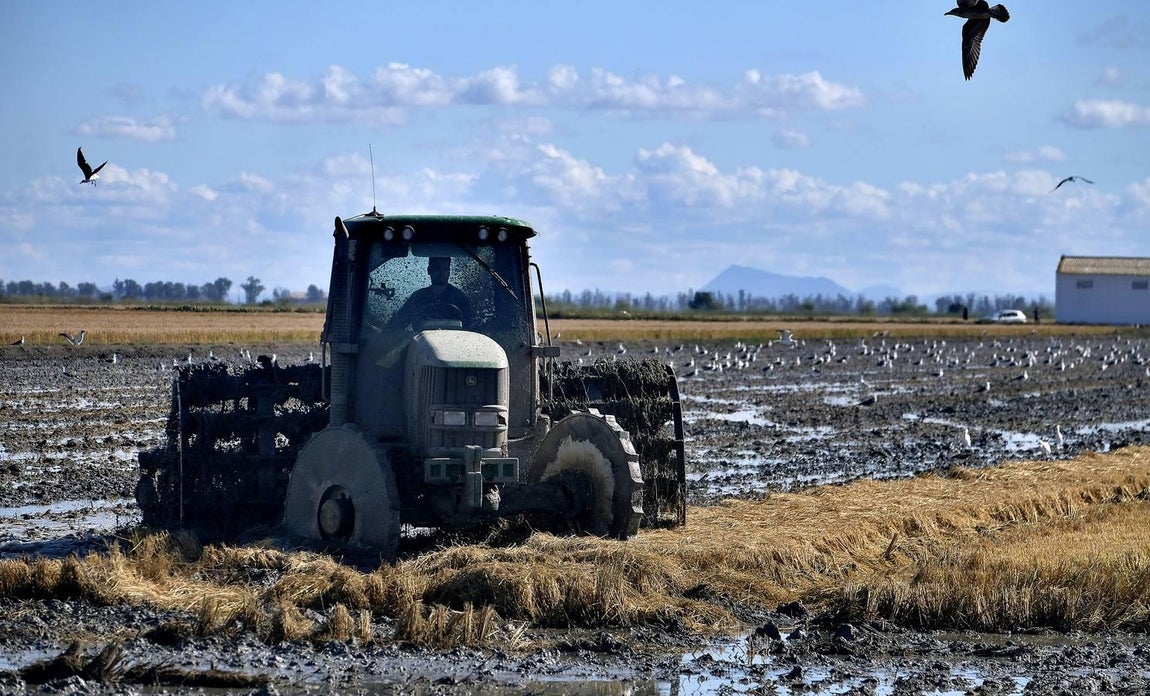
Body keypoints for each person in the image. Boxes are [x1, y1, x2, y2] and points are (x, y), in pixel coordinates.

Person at [389, 256, 472, 329]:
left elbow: (472, 331)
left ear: (449, 272)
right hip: (421, 345)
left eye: (445, 269)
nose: (441, 273)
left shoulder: (460, 298)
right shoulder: (418, 298)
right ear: (429, 270)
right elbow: (396, 326)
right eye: (437, 268)